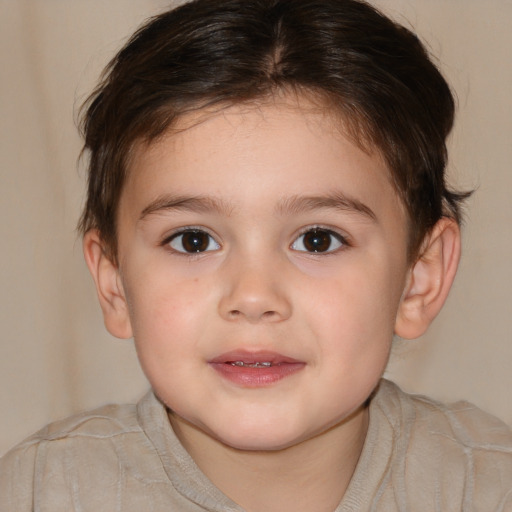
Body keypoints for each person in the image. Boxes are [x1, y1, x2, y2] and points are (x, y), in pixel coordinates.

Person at [1, 0, 511, 510]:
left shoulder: (486, 487)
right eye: (193, 240)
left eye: (318, 239)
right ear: (114, 282)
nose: (253, 296)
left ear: (419, 277)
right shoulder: (39, 492)